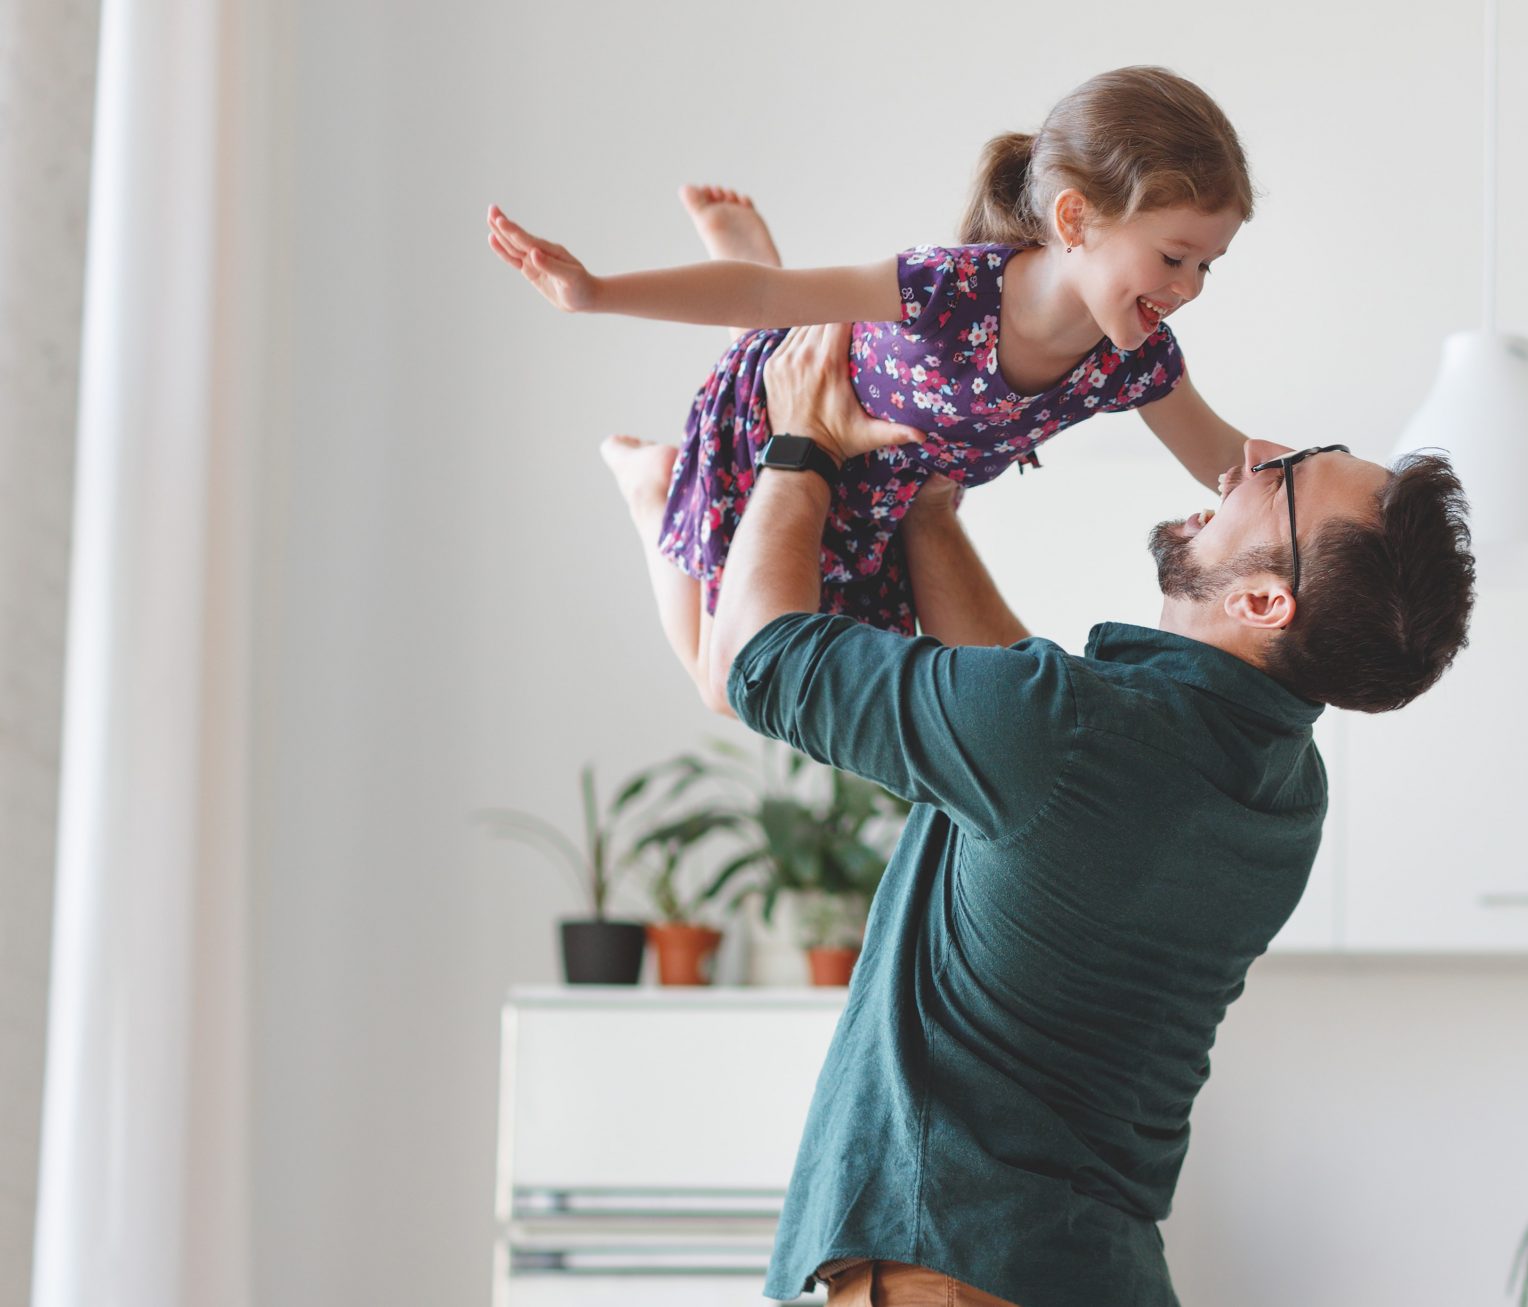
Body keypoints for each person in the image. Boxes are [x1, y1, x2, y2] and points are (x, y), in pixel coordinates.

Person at [690, 317, 1475, 1306]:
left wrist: (797, 443)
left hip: (956, 1268)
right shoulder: (1281, 788)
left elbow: (749, 661)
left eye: (1287, 476)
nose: (1253, 454)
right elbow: (1030, 750)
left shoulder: (1063, 735)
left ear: (1266, 601)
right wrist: (929, 514)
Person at [485, 67, 1267, 713]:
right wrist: (593, 291)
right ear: (1075, 217)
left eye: (1208, 265)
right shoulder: (950, 289)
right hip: (777, 431)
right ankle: (653, 489)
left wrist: (1375, 490)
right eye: (1174, 258)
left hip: (877, 504)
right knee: (728, 691)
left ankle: (763, 318)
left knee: (777, 680)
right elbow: (759, 294)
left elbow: (1230, 460)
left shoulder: (1133, 360)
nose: (1190, 288)